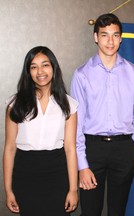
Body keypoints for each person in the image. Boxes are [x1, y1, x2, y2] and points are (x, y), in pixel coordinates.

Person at [70, 13, 134, 216]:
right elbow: (76, 124)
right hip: (92, 149)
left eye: (115, 35)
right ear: (96, 37)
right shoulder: (82, 75)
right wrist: (82, 164)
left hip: (125, 149)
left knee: (118, 211)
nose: (110, 41)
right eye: (104, 35)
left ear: (121, 38)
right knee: (90, 211)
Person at [3, 46, 79, 216]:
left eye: (45, 65)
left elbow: (70, 149)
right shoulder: (15, 104)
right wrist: (8, 190)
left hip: (58, 173)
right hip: (25, 173)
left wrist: (73, 189)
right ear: (28, 71)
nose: (40, 71)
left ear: (53, 68)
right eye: (33, 66)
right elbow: (9, 148)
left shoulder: (69, 105)